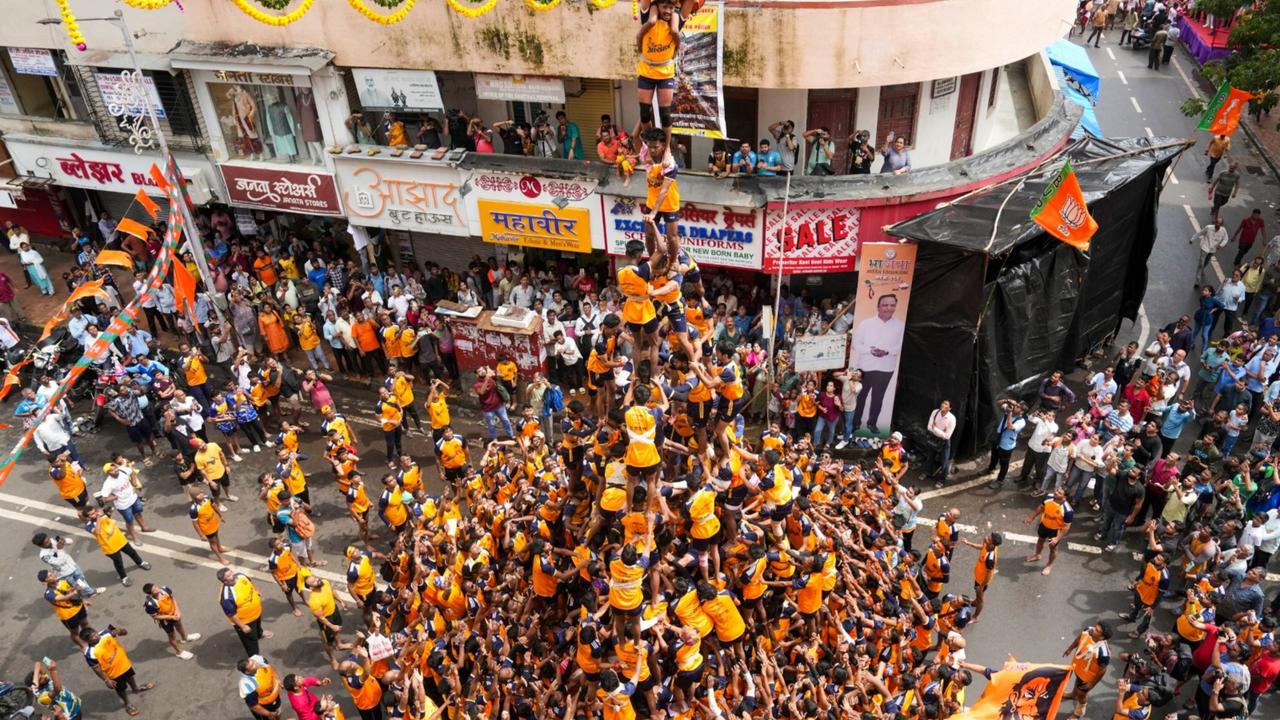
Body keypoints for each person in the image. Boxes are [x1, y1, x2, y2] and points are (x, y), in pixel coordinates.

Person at [850, 293, 905, 435]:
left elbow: (900, 346)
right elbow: (856, 343)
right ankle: (855, 423)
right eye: (885, 305)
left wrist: (887, 352)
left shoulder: (900, 325)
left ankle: (872, 423)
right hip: (865, 367)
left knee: (878, 397)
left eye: (892, 305)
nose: (888, 308)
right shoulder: (866, 323)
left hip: (886, 368)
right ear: (878, 307)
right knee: (860, 396)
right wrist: (870, 350)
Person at [81, 625, 154, 716]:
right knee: (120, 689)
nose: (96, 636)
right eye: (92, 637)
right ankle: (127, 704)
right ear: (87, 641)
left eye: (95, 633)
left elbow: (125, 632)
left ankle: (136, 688)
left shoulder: (105, 633)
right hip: (114, 674)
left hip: (125, 664)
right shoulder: (89, 653)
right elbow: (96, 668)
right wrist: (107, 680)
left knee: (130, 676)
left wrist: (119, 631)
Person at [635, 0, 681, 140]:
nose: (667, 10)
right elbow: (639, 36)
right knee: (644, 114)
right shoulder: (648, 15)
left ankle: (666, 148)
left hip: (665, 73)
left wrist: (675, 52)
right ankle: (651, 143)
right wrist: (651, 21)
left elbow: (676, 35)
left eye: (671, 7)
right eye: (664, 7)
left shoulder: (675, 19)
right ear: (657, 6)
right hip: (647, 72)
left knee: (665, 115)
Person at [217, 567, 273, 657]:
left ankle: (259, 633)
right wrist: (243, 627)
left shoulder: (241, 576)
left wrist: (257, 590)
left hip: (256, 613)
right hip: (245, 621)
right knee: (250, 642)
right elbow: (232, 615)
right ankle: (255, 658)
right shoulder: (227, 597)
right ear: (225, 581)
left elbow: (250, 583)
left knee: (258, 626)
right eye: (229, 575)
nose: (233, 574)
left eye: (231, 572)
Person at [142, 583, 200, 659]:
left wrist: (177, 610)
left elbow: (173, 598)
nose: (157, 589)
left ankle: (185, 638)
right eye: (154, 590)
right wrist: (170, 617)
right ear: (151, 594)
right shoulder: (150, 604)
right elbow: (155, 616)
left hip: (174, 614)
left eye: (155, 586)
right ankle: (179, 652)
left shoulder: (165, 589)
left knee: (179, 625)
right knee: (172, 636)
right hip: (165, 621)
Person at [1025, 487, 1073, 575]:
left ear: (1064, 497)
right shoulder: (1048, 497)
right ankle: (1037, 555)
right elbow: (1041, 507)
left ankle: (1049, 565)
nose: (1056, 492)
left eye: (1059, 492)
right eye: (1057, 490)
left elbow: (1066, 527)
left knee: (1053, 549)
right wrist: (1031, 517)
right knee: (1040, 540)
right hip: (1044, 525)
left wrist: (1057, 538)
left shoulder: (1067, 510)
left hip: (1055, 531)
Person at [985, 399, 1027, 487]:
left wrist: (1009, 414)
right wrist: (1007, 400)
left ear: (1022, 411)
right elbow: (997, 403)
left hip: (1007, 444)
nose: (1015, 407)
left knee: (1004, 463)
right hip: (998, 438)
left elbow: (1010, 426)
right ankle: (990, 469)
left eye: (1018, 407)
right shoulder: (1009, 409)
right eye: (1017, 405)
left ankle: (1000, 480)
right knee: (994, 456)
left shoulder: (1021, 421)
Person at [1194, 216, 1230, 287]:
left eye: (1220, 223)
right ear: (1215, 222)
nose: (1218, 224)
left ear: (1222, 225)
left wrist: (1221, 245)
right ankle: (1197, 281)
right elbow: (1200, 232)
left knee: (1206, 261)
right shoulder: (1209, 227)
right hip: (1205, 247)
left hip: (1212, 250)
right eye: (1217, 223)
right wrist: (1193, 238)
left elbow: (1226, 239)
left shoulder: (1223, 230)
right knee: (1201, 263)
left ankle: (1202, 269)